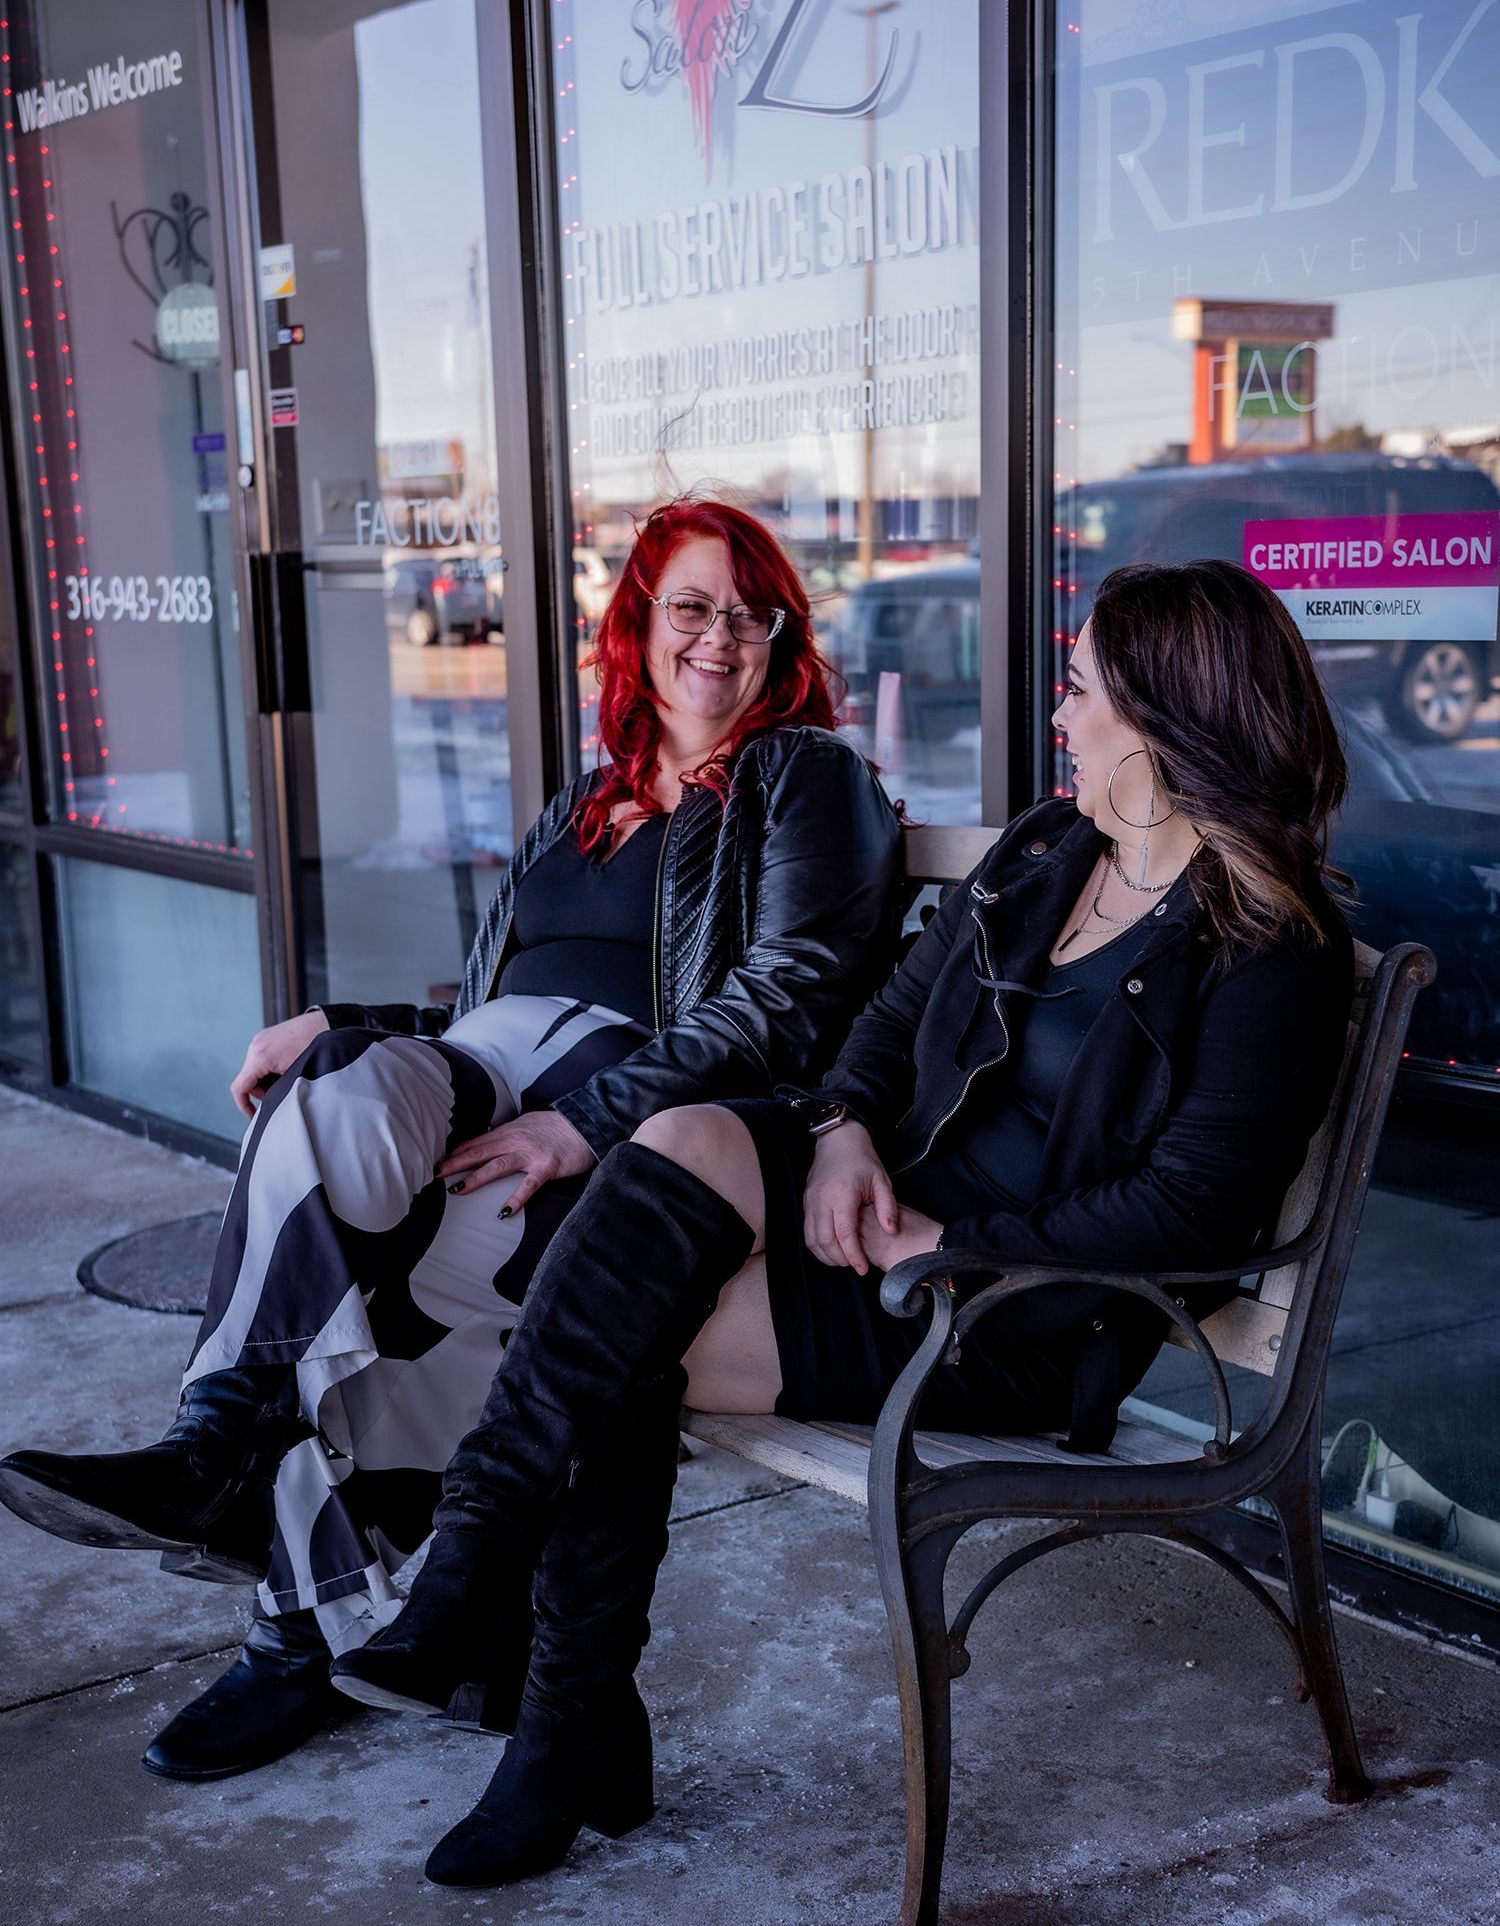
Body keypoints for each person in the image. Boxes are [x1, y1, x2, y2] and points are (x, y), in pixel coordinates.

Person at [321, 557, 1355, 1889]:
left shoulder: (1267, 944)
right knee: (675, 1138)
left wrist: (949, 1251)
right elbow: (881, 1025)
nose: (1057, 712)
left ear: (1162, 718)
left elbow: (1190, 1209)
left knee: (622, 1333)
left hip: (1015, 1305)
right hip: (880, 1221)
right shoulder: (1053, 851)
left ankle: (557, 1707)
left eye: (1080, 686)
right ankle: (488, 1581)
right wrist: (844, 1133)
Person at [0, 497, 901, 1782]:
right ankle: (213, 1438)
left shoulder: (802, 775)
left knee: (408, 1269)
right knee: (326, 1100)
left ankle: (288, 1627)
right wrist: (337, 1017)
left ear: (782, 639)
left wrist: (584, 1124)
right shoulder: (583, 802)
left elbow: (793, 988)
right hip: (486, 1069)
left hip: (630, 1099)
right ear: (636, 623)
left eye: (750, 614)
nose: (720, 637)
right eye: (691, 606)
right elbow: (478, 1002)